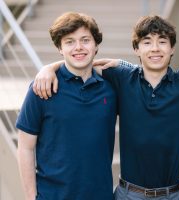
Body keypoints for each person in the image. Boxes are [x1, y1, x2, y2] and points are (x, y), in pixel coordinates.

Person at [32, 16, 179, 200]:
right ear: (137, 49)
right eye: (147, 42)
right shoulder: (121, 77)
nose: (155, 49)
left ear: (172, 49)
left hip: (171, 194)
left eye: (162, 41)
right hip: (128, 194)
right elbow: (81, 61)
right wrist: (48, 68)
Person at [16, 12, 117, 200]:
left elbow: (139, 74)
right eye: (69, 42)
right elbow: (25, 147)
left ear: (96, 45)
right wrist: (31, 198)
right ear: (60, 48)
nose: (78, 47)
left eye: (85, 40)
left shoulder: (111, 88)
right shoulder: (42, 88)